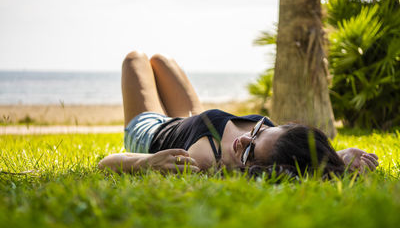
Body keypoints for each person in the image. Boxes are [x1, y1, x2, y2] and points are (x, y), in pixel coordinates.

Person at [98, 51, 379, 177]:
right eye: (259, 131)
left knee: (134, 59)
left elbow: (106, 163)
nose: (243, 140)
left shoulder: (204, 159)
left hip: (153, 130)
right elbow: (299, 159)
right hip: (194, 119)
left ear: (260, 171)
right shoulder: (276, 139)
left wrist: (145, 163)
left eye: (249, 154)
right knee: (161, 60)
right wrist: (337, 158)